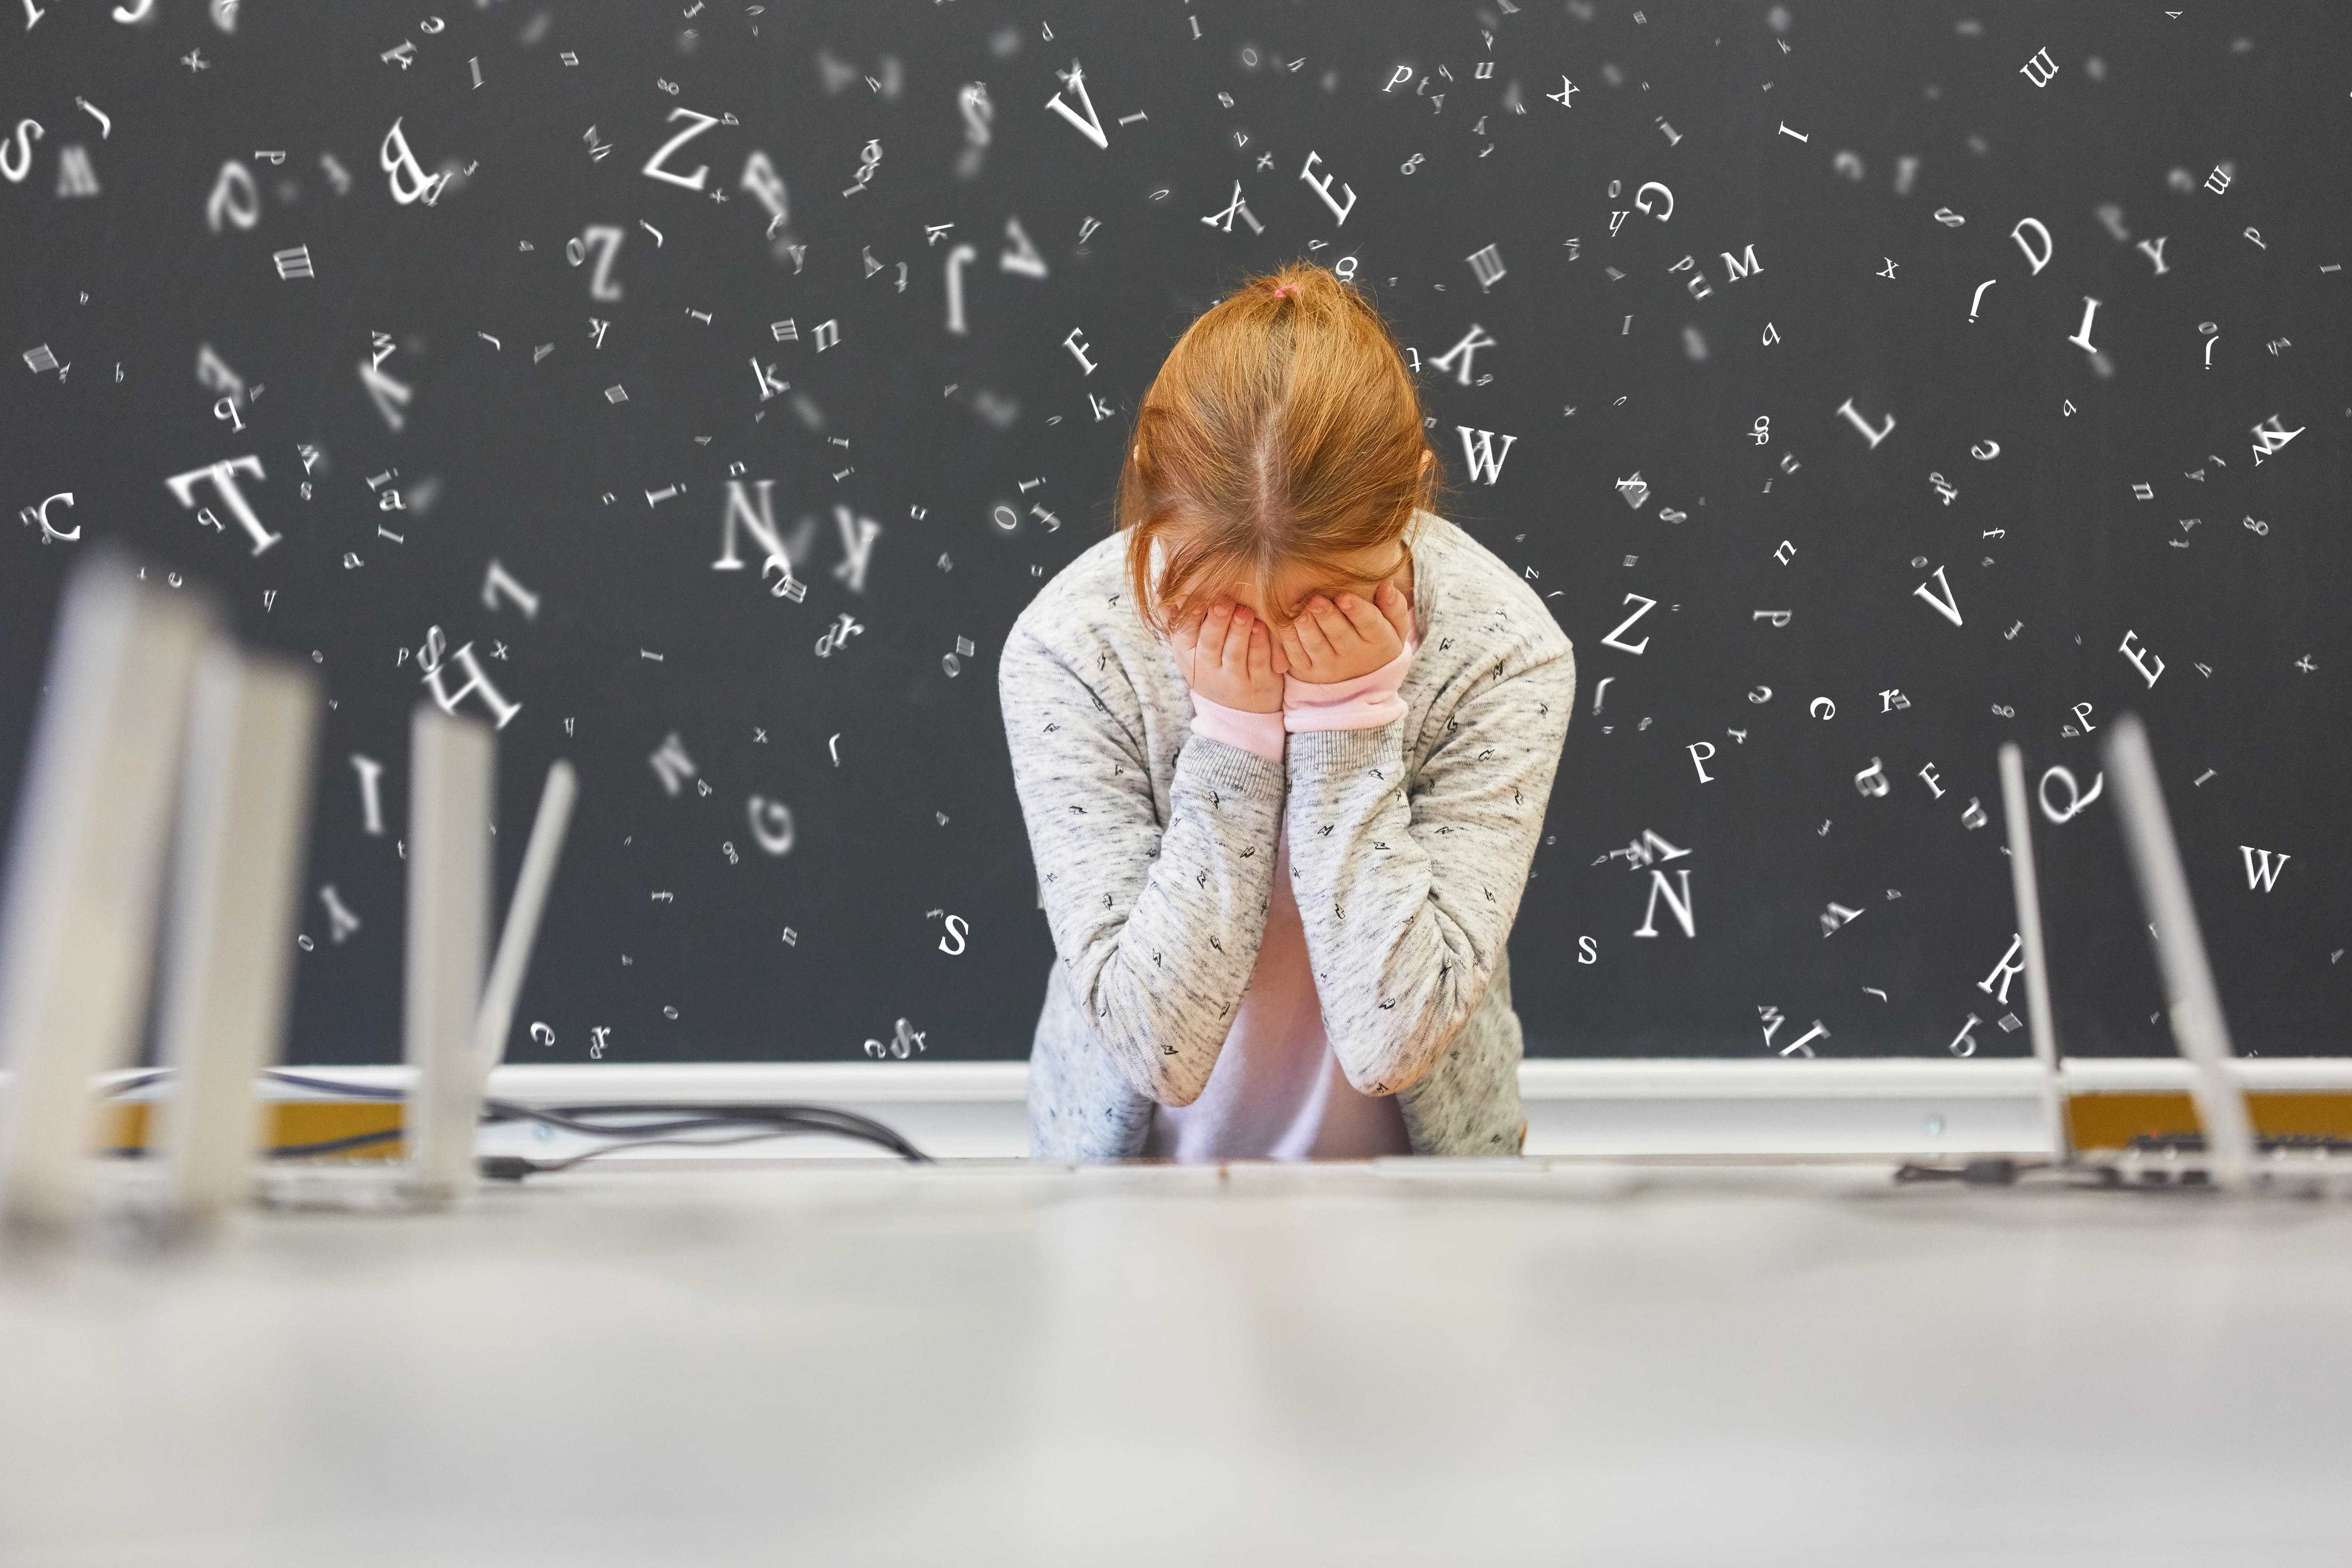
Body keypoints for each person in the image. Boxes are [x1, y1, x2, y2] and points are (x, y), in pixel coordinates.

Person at [999, 260, 1576, 1162]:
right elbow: (1156, 1052)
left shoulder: (1504, 651)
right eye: (1217, 604)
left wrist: (1349, 722)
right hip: (1128, 1192)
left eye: (1329, 602)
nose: (1272, 641)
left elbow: (1392, 1044)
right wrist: (1233, 742)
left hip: (1425, 1202)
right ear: (1152, 487)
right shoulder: (1072, 649)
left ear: (1412, 496)